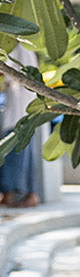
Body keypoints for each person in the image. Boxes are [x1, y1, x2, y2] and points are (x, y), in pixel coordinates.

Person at [0, 41, 41, 208]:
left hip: (21, 106)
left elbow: (5, 71)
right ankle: (23, 194)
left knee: (14, 148)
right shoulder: (24, 46)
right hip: (21, 104)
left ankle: (11, 195)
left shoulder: (19, 47)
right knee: (24, 150)